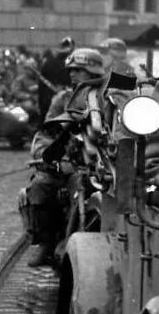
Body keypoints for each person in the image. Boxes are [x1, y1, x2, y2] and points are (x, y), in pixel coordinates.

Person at [21, 47, 109, 267]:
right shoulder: (63, 99)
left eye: (78, 70)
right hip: (68, 162)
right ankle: (46, 245)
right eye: (71, 70)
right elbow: (47, 132)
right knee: (41, 187)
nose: (72, 74)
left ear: (92, 71)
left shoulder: (109, 95)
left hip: (101, 164)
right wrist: (49, 157)